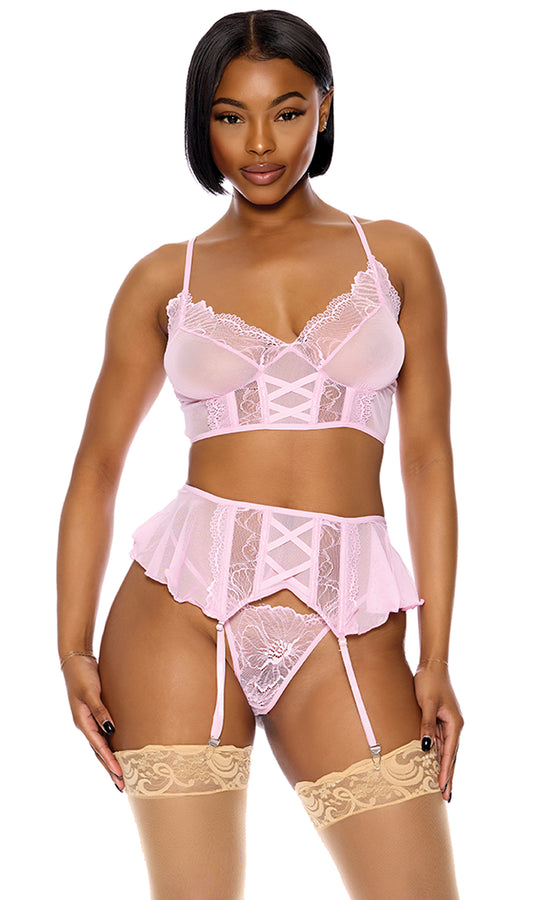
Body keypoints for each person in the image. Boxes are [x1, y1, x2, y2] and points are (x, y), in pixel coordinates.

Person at [57, 9, 463, 899]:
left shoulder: (395, 256)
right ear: (201, 121)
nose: (260, 144)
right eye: (229, 116)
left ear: (325, 107)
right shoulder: (165, 277)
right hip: (179, 609)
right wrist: (71, 646)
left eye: (286, 111)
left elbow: (428, 460)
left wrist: (436, 656)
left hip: (347, 608)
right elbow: (96, 467)